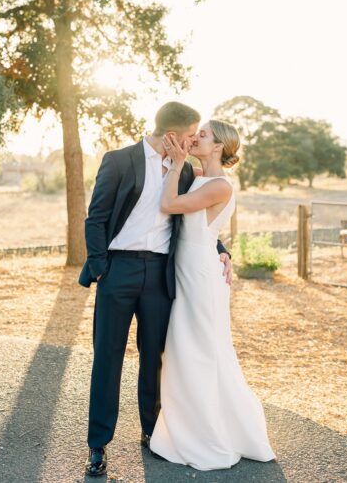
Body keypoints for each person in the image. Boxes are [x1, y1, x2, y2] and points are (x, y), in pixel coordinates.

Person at [78, 102, 233, 477]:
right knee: (108, 357)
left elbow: (196, 220)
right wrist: (101, 269)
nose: (194, 140)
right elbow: (96, 218)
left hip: (162, 275)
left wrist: (222, 250)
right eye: (191, 134)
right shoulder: (118, 160)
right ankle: (98, 444)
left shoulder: (186, 173)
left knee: (155, 358)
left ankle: (153, 433)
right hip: (118, 270)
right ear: (172, 136)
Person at [149, 119, 276, 470]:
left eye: (202, 135)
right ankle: (186, 427)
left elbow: (170, 205)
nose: (195, 138)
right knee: (185, 350)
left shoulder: (219, 185)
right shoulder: (197, 175)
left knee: (199, 351)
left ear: (218, 146)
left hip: (202, 277)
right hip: (188, 269)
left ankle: (208, 436)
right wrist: (178, 163)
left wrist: (176, 165)